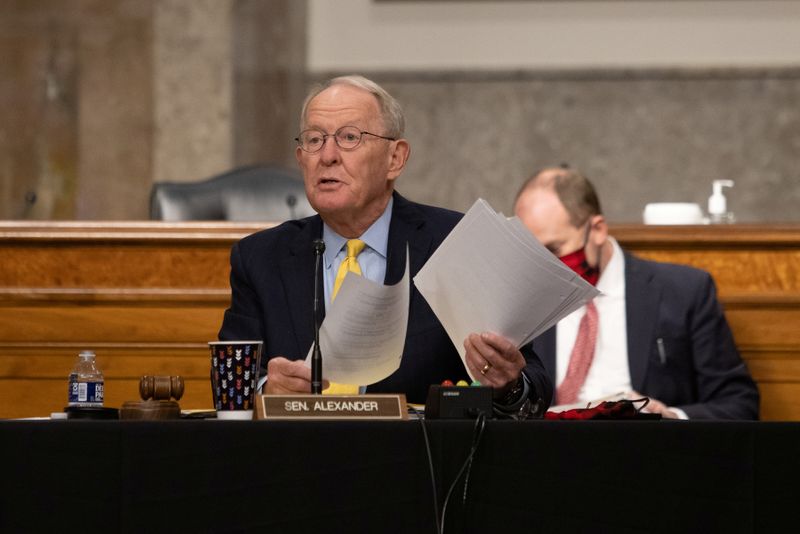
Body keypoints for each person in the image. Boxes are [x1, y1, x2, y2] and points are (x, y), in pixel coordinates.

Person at [219, 75, 552, 416]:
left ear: (396, 158)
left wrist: (509, 385)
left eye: (349, 137)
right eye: (315, 139)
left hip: (422, 462)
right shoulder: (261, 258)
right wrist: (266, 390)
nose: (328, 155)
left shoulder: (457, 242)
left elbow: (534, 387)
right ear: (300, 157)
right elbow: (231, 385)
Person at [514, 166, 759, 419]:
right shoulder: (524, 302)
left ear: (597, 230)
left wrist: (670, 416)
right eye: (532, 254)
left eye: (553, 250)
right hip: (550, 451)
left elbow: (740, 404)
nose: (544, 267)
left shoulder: (684, 292)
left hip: (649, 451)